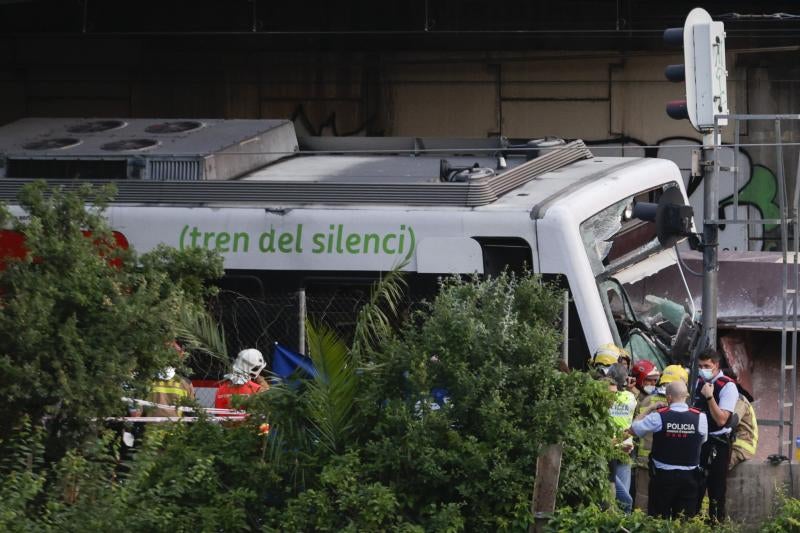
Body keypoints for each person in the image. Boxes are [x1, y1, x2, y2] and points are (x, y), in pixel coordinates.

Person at [630, 380, 707, 519]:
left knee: (658, 521)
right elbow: (702, 441)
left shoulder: (659, 416)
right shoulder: (700, 417)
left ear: (669, 397)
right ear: (687, 395)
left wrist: (649, 408)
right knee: (684, 522)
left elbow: (634, 429)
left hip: (663, 479)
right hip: (690, 479)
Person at [632, 364, 688, 511]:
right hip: (667, 463)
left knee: (642, 499)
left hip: (644, 460)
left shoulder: (647, 400)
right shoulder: (678, 404)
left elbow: (636, 426)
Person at [692, 349, 738, 522]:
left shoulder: (727, 386)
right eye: (700, 366)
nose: (703, 369)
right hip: (698, 442)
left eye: (707, 366)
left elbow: (721, 420)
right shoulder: (697, 382)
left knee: (716, 492)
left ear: (716, 365)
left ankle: (717, 525)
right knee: (694, 489)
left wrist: (710, 397)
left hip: (718, 444)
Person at [605, 361, 637, 513]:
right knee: (624, 499)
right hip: (623, 449)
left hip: (614, 449)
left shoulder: (604, 396)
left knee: (617, 499)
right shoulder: (631, 397)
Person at [143, 341, 195, 417]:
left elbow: (138, 411)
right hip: (177, 427)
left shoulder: (147, 380)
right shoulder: (186, 383)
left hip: (152, 427)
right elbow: (191, 412)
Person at [722, 368, 758, 470]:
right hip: (731, 444)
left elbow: (731, 422)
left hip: (742, 446)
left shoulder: (739, 400)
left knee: (719, 467)